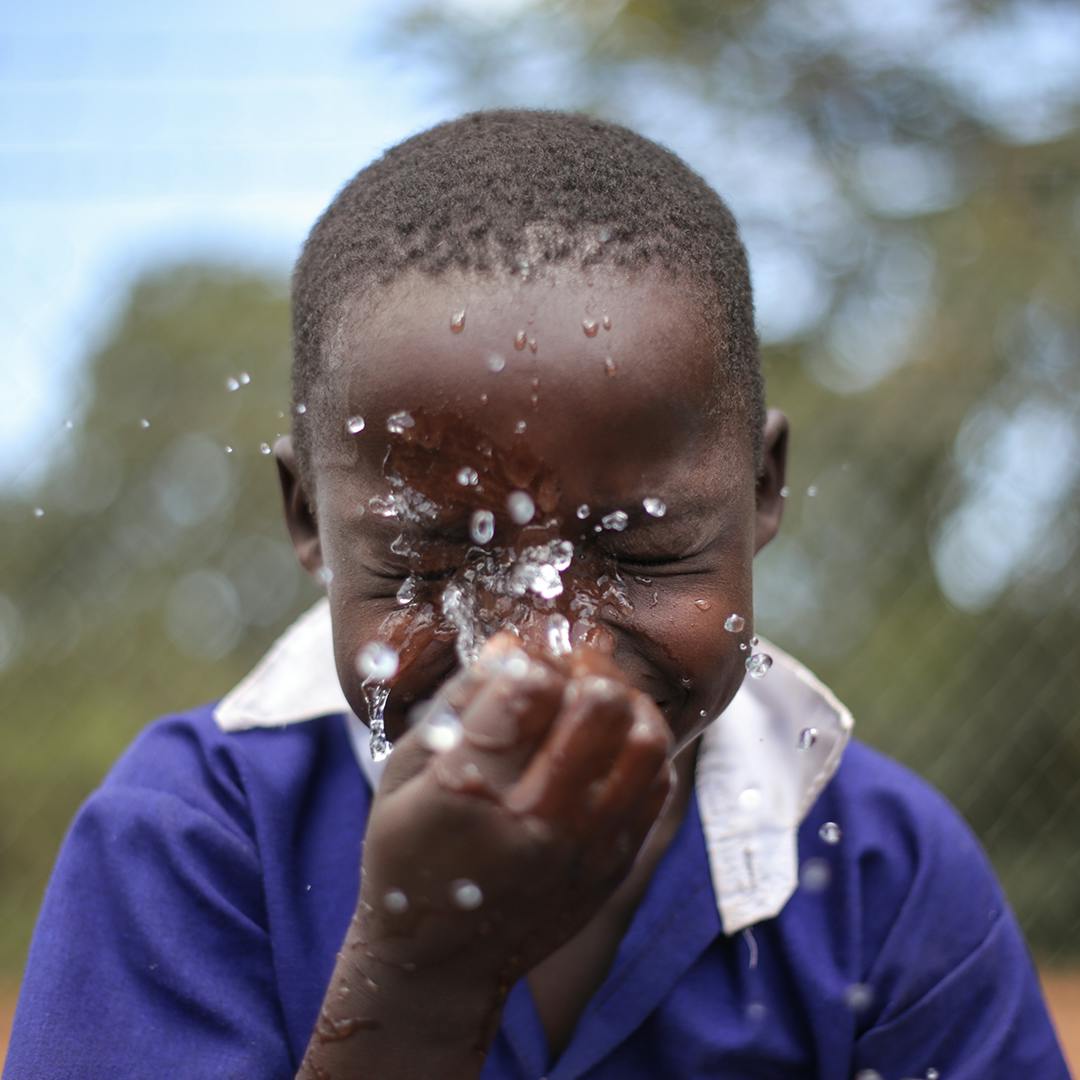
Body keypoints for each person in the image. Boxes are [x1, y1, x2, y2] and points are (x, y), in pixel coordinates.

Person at [5, 110, 1069, 1080]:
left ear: (760, 491)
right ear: (307, 522)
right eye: (427, 562)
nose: (537, 649)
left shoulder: (881, 878)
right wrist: (422, 975)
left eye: (643, 551)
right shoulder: (195, 844)